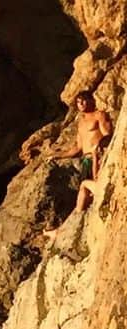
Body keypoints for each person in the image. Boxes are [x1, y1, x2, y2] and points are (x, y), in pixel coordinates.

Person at [45, 90, 114, 240]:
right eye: (78, 102)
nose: (81, 104)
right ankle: (65, 229)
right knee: (84, 194)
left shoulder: (99, 115)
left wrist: (99, 146)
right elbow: (77, 148)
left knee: (87, 191)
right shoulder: (81, 123)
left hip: (98, 157)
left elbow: (108, 135)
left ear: (91, 100)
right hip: (86, 161)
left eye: (84, 100)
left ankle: (62, 231)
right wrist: (57, 155)